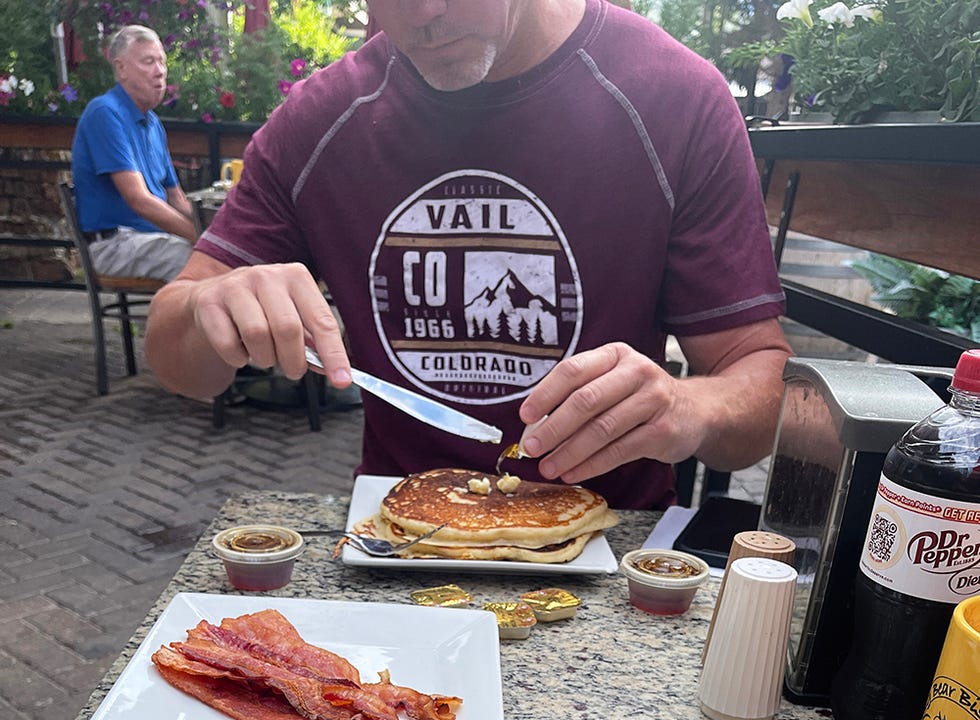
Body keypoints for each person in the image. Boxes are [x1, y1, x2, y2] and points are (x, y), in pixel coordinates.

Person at [145, 0, 791, 510]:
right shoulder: (320, 122)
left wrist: (691, 409)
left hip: (611, 542)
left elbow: (757, 385)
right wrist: (209, 308)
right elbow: (173, 358)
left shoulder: (675, 98)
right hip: (399, 539)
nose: (424, 12)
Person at [71, 25, 197, 282]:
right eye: (148, 61)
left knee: (223, 258)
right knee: (205, 262)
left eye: (162, 61)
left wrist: (220, 232)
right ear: (121, 69)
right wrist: (201, 237)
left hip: (150, 239)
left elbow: (177, 198)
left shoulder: (153, 124)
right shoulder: (104, 113)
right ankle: (174, 323)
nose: (160, 71)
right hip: (114, 244)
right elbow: (138, 199)